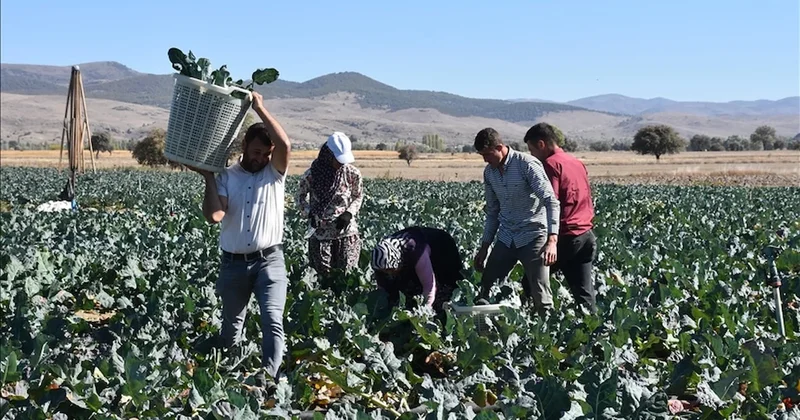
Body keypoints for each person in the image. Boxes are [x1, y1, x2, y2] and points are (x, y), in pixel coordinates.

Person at [187, 91, 290, 391]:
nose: (260, 158)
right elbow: (215, 215)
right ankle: (229, 380)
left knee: (273, 319)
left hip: (269, 261)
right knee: (231, 330)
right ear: (244, 146)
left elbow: (285, 144)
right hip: (233, 265)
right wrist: (208, 178)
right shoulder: (227, 177)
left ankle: (268, 379)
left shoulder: (275, 174)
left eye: (265, 154)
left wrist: (260, 107)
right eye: (256, 151)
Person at [472, 127, 560, 315]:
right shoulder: (490, 173)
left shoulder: (526, 164)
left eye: (487, 154)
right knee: (488, 284)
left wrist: (552, 241)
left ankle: (548, 335)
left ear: (500, 147)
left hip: (533, 234)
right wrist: (484, 246)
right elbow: (493, 211)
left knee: (540, 292)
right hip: (506, 236)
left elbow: (550, 201)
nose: (485, 160)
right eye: (482, 155)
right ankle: (488, 330)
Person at [524, 122, 598, 313]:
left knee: (530, 282)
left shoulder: (550, 165)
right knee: (584, 294)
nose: (533, 156)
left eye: (532, 150)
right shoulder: (576, 162)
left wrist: (550, 240)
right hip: (586, 235)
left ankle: (535, 328)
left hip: (565, 236)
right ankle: (593, 335)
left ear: (541, 144)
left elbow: (550, 202)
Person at [295, 132, 364, 277]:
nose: (341, 163)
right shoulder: (312, 175)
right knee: (323, 278)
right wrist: (310, 213)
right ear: (328, 155)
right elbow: (300, 197)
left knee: (348, 276)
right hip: (321, 234)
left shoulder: (352, 174)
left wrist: (349, 213)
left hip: (346, 232)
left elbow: (358, 196)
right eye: (338, 159)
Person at [371, 226, 465, 312]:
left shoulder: (415, 250)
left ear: (397, 261)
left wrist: (424, 311)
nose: (389, 273)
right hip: (408, 258)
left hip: (442, 250)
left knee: (445, 295)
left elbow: (429, 288)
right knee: (398, 292)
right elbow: (382, 292)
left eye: (390, 270)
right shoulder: (380, 260)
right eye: (385, 271)